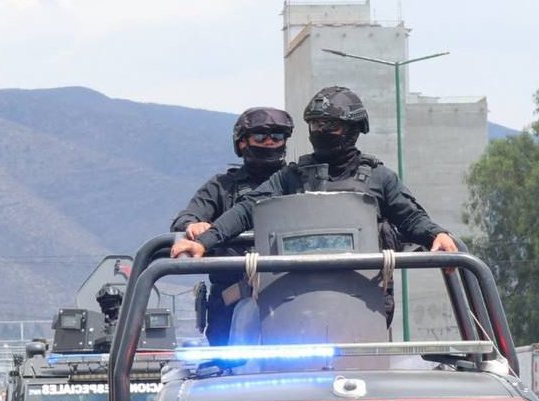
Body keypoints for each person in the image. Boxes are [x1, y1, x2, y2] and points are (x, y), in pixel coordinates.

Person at [170, 85, 458, 260]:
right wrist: (203, 242)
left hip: (364, 292)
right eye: (315, 125)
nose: (321, 133)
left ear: (353, 130)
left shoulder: (379, 178)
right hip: (295, 292)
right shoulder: (291, 177)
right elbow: (247, 209)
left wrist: (438, 234)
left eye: (329, 126)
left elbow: (411, 217)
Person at [170, 106, 295, 345]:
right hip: (231, 299)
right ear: (241, 143)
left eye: (277, 137)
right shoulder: (222, 186)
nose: (269, 142)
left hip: (291, 295)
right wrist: (193, 226)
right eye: (260, 136)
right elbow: (185, 219)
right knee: (226, 370)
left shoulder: (296, 181)